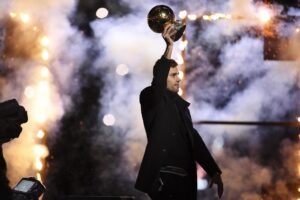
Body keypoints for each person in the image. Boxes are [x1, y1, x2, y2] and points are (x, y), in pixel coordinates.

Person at [135, 24, 223, 200]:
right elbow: (158, 82)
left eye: (178, 74)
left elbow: (193, 139)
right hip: (164, 179)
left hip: (184, 181)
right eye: (173, 75)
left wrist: (213, 171)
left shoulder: (180, 106)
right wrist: (169, 46)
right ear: (161, 77)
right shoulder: (150, 96)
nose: (178, 78)